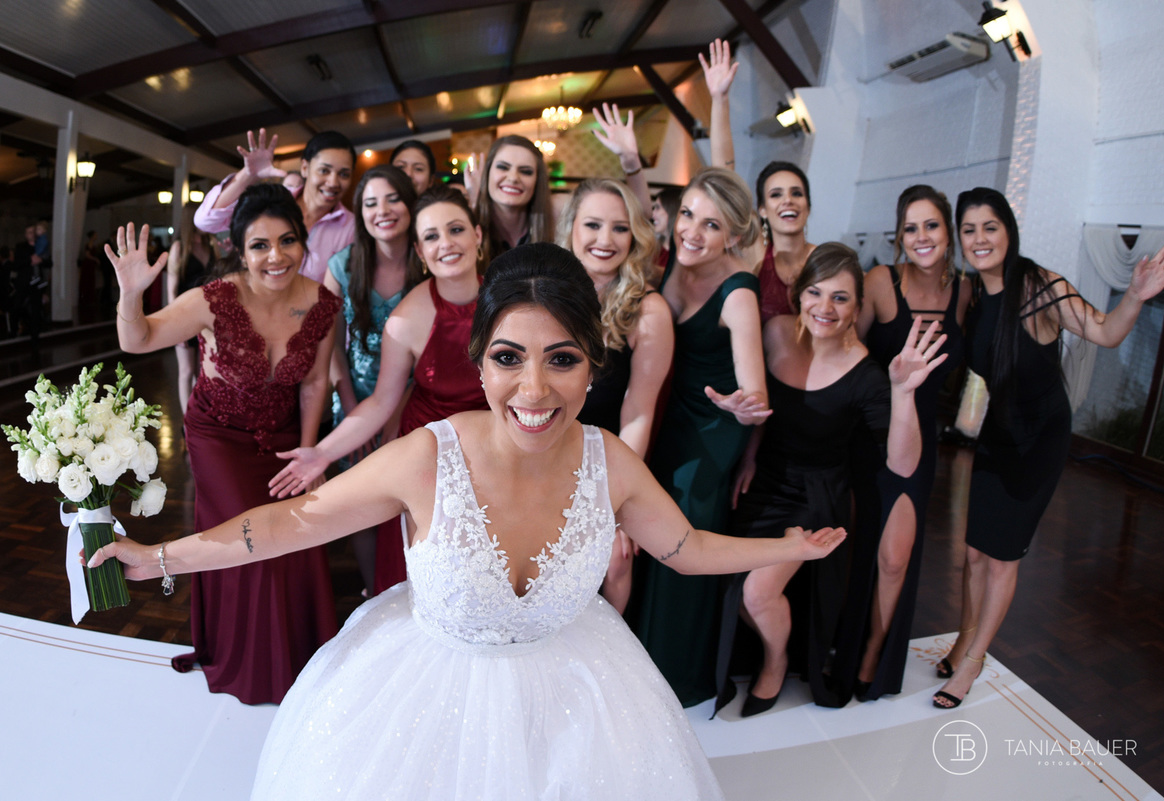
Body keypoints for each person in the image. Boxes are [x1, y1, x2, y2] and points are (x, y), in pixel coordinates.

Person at [89, 242, 846, 800]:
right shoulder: (427, 457)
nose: (533, 388)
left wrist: (787, 546)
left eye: (562, 359)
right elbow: (284, 525)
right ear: (481, 362)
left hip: (582, 706)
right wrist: (158, 559)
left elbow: (684, 546)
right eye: (510, 357)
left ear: (593, 367)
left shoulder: (607, 459)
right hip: (423, 701)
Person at [933, 187, 1164, 709]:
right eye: (969, 230)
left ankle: (975, 661)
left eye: (990, 227)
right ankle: (962, 639)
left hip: (1038, 441)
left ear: (1008, 230)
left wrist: (1134, 295)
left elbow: (1105, 332)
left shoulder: (1040, 287)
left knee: (1001, 559)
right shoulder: (971, 294)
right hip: (996, 438)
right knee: (974, 554)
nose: (980, 239)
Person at [107, 184, 340, 704]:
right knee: (249, 541)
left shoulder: (324, 304)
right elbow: (137, 339)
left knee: (297, 530)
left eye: (287, 241)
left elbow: (314, 383)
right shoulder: (212, 300)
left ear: (304, 243)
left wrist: (309, 456)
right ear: (239, 249)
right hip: (219, 436)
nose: (275, 256)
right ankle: (253, 666)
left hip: (283, 438)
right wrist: (130, 293)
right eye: (260, 245)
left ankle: (300, 658)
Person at [718, 242, 945, 713]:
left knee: (757, 593)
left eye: (840, 298)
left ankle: (775, 663)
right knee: (730, 587)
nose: (825, 308)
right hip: (765, 483)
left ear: (858, 307)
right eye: (816, 293)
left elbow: (903, 465)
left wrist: (903, 393)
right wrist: (750, 454)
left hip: (817, 498)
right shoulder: (777, 332)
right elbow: (769, 410)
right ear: (799, 295)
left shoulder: (865, 374)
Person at [270, 185, 488, 596]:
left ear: (478, 235)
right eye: (431, 237)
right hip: (429, 455)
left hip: (495, 451)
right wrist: (321, 452)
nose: (447, 244)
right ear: (421, 254)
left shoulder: (509, 299)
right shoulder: (407, 319)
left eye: (456, 229)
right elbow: (382, 401)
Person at [629, 166, 770, 707]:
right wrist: (630, 166)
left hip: (711, 432)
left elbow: (755, 395)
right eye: (687, 215)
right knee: (647, 525)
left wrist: (742, 405)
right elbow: (642, 217)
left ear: (733, 235)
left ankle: (674, 676)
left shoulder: (738, 296)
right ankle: (639, 655)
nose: (692, 231)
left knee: (680, 537)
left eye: (710, 225)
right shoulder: (673, 258)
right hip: (667, 411)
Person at [850, 185, 970, 701]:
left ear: (948, 232)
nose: (922, 237)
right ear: (900, 236)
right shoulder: (880, 281)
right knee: (852, 546)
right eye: (911, 227)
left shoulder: (965, 293)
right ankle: (840, 642)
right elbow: (846, 349)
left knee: (895, 558)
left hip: (920, 442)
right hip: (865, 431)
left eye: (932, 226)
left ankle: (875, 651)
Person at [557, 178, 674, 613]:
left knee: (614, 559)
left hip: (602, 458)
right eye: (593, 225)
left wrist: (615, 497)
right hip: (539, 447)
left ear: (635, 236)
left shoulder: (648, 311)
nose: (605, 240)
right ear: (571, 228)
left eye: (620, 228)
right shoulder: (545, 295)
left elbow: (639, 412)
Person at [323, 165, 421, 593]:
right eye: (370, 203)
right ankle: (373, 592)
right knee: (362, 502)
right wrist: (350, 410)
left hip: (416, 397)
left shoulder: (429, 261)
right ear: (359, 214)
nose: (382, 210)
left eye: (392, 198)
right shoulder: (343, 266)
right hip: (355, 397)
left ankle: (413, 588)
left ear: (410, 204)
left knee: (408, 501)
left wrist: (394, 416)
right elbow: (327, 348)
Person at [195, 128, 356, 283]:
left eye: (344, 174)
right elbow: (206, 222)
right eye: (324, 171)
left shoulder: (352, 227)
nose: (333, 182)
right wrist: (248, 175)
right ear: (305, 168)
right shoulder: (272, 202)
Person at [472, 134, 554, 262]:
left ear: (537, 181)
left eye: (525, 171)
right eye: (503, 167)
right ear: (487, 173)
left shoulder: (555, 221)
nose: (513, 177)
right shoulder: (468, 227)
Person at [754, 163, 816, 323]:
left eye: (796, 193)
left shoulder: (825, 260)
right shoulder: (756, 265)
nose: (788, 200)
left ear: (808, 207)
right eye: (776, 195)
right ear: (763, 210)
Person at [165, 219, 216, 414]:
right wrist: (175, 325)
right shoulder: (179, 247)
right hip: (185, 316)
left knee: (202, 372)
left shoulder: (209, 245)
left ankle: (199, 417)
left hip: (207, 317)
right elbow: (172, 291)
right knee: (186, 371)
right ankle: (187, 420)